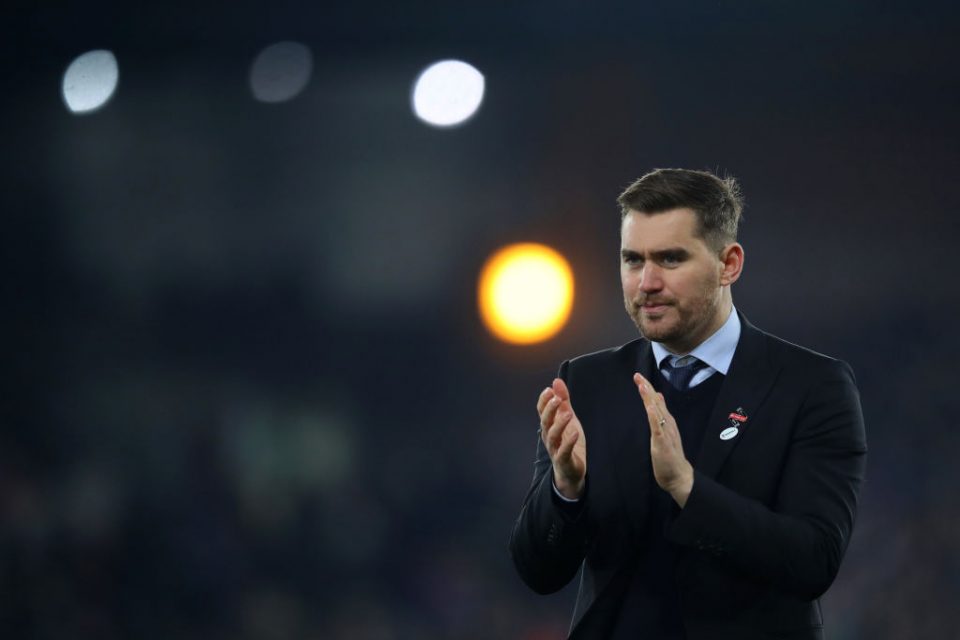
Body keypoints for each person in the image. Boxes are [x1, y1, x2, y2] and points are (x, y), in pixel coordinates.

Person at [509, 168, 867, 639]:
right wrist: (566, 490)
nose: (647, 282)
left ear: (729, 264)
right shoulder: (588, 383)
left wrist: (687, 488)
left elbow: (813, 561)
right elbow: (539, 573)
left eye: (671, 259)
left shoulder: (811, 386)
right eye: (633, 260)